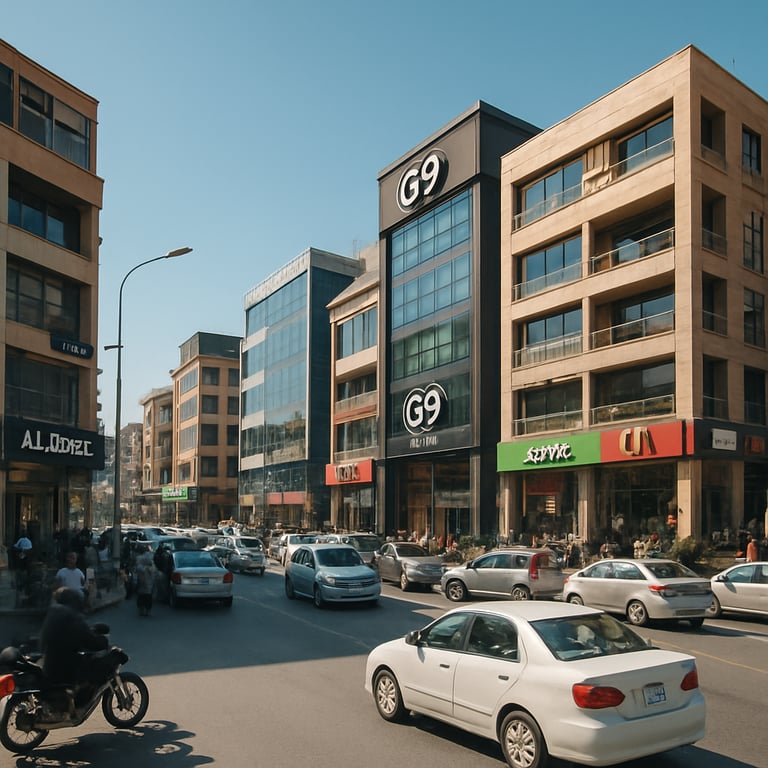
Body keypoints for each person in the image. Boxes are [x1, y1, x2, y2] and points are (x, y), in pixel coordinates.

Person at [40, 587, 126, 691]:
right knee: (95, 666)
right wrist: (103, 641)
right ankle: (80, 700)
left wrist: (91, 630)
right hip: (63, 667)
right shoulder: (71, 616)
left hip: (50, 664)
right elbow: (89, 641)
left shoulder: (55, 612)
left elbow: (75, 633)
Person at [134, 543, 157, 616]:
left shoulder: (139, 558)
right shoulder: (150, 557)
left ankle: (142, 609)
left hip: (142, 580)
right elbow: (153, 569)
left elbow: (137, 568)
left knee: (141, 596)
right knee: (147, 596)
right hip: (148, 581)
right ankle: (147, 610)